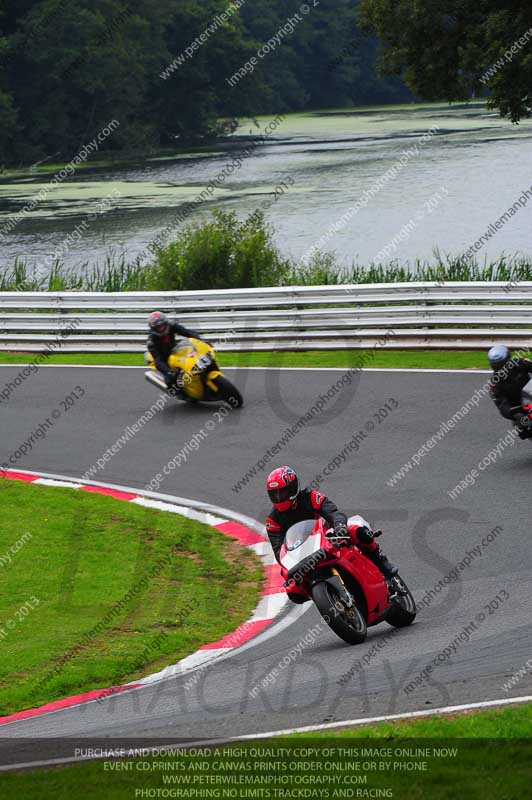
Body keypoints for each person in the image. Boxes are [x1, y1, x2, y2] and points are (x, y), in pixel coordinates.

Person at [265, 466, 398, 583]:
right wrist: (288, 565)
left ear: (293, 488)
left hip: (328, 538)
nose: (278, 498)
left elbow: (333, 513)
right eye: (274, 494)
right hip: (302, 555)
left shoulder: (310, 497)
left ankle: (381, 562)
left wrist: (339, 526)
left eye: (282, 493)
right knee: (291, 586)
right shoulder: (272, 521)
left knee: (357, 530)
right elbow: (279, 551)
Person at [146, 311, 204, 393]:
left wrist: (201, 340)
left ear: (165, 322)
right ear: (154, 328)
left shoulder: (171, 325)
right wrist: (168, 371)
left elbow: (187, 332)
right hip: (164, 358)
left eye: (162, 325)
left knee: (194, 359)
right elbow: (158, 361)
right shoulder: (152, 341)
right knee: (171, 381)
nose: (161, 328)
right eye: (158, 327)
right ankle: (184, 394)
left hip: (175, 350)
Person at [488, 345, 532, 438]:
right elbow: (501, 404)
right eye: (496, 365)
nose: (500, 367)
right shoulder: (495, 383)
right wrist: (515, 413)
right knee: (522, 426)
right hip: (521, 407)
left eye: (501, 364)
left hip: (530, 391)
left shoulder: (521, 363)